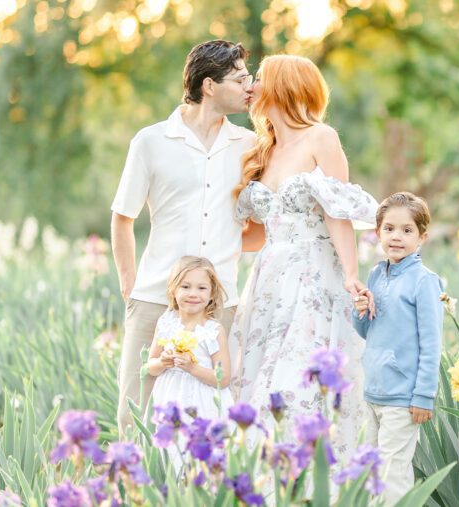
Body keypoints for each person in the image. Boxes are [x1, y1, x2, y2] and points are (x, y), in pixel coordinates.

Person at [229, 54, 378, 457]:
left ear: (282, 85)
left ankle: (315, 473)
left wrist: (350, 274)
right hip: (268, 279)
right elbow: (256, 237)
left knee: (299, 377)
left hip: (314, 274)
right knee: (259, 378)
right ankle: (271, 475)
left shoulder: (321, 138)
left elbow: (338, 212)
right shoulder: (263, 149)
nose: (251, 86)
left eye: (258, 78)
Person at [110, 40, 255, 433]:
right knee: (136, 412)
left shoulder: (249, 144)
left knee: (213, 413)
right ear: (209, 86)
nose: (250, 86)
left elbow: (259, 224)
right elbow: (122, 217)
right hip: (156, 297)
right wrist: (130, 285)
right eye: (241, 79)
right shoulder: (151, 141)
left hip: (219, 301)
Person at [352, 192, 443, 503]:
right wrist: (360, 310)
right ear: (377, 233)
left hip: (403, 397)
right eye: (389, 228)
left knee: (393, 476)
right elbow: (366, 330)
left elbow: (432, 344)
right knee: (372, 473)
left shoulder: (424, 281)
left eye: (407, 230)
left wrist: (424, 396)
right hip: (373, 389)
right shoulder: (377, 274)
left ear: (422, 237)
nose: (396, 237)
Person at [145, 256, 234, 420]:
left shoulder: (213, 331)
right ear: (173, 290)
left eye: (201, 288)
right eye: (185, 286)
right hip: (170, 397)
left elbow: (224, 378)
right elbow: (150, 366)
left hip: (203, 403)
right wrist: (162, 362)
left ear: (212, 294)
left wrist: (192, 368)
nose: (193, 294)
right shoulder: (166, 323)